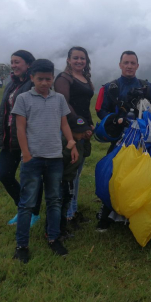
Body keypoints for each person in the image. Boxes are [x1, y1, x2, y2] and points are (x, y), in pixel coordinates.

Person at [11, 59, 78, 264]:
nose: (44, 83)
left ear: (52, 79)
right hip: (32, 159)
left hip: (55, 158)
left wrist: (71, 142)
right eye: (40, 79)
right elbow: (20, 128)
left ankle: (53, 238)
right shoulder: (23, 98)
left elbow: (64, 123)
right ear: (32, 78)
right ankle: (22, 245)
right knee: (27, 203)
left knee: (54, 200)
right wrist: (26, 154)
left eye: (48, 79)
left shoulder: (58, 99)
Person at [95, 50, 151, 231]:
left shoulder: (146, 86)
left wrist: (143, 106)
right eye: (126, 63)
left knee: (141, 175)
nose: (129, 66)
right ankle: (107, 211)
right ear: (120, 65)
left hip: (142, 139)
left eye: (133, 63)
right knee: (112, 174)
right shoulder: (110, 87)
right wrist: (118, 118)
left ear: (137, 66)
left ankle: (137, 211)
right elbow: (100, 109)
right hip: (119, 138)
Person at [0, 50, 43, 226]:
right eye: (12, 62)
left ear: (28, 65)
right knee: (5, 175)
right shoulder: (11, 84)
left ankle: (33, 213)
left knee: (32, 178)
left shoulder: (34, 83)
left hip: (28, 139)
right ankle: (23, 207)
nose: (13, 65)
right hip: (9, 138)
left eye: (17, 62)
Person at [54, 46, 94, 227]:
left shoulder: (85, 78)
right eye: (75, 58)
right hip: (69, 131)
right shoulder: (64, 78)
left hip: (83, 131)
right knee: (69, 175)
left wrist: (90, 124)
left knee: (77, 174)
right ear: (68, 60)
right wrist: (81, 126)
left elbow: (85, 105)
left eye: (82, 58)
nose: (79, 61)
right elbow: (65, 104)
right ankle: (66, 215)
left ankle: (73, 210)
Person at [58, 116, 92, 241]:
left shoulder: (78, 142)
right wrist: (68, 149)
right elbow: (61, 162)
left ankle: (63, 228)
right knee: (60, 205)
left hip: (69, 180)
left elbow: (86, 153)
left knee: (66, 202)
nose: (83, 133)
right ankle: (58, 230)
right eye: (80, 131)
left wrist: (87, 140)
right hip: (62, 180)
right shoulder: (64, 142)